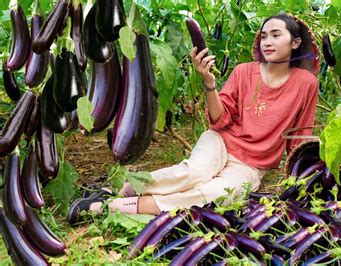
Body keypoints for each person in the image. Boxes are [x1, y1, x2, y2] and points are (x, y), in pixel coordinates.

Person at [67, 13, 320, 225]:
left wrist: (303, 180)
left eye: (276, 35)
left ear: (295, 42)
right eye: (264, 36)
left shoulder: (306, 83)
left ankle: (112, 207)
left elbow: (300, 135)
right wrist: (210, 84)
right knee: (192, 172)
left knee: (212, 194)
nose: (268, 41)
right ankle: (120, 189)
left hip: (252, 165)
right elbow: (219, 121)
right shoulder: (245, 71)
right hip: (221, 141)